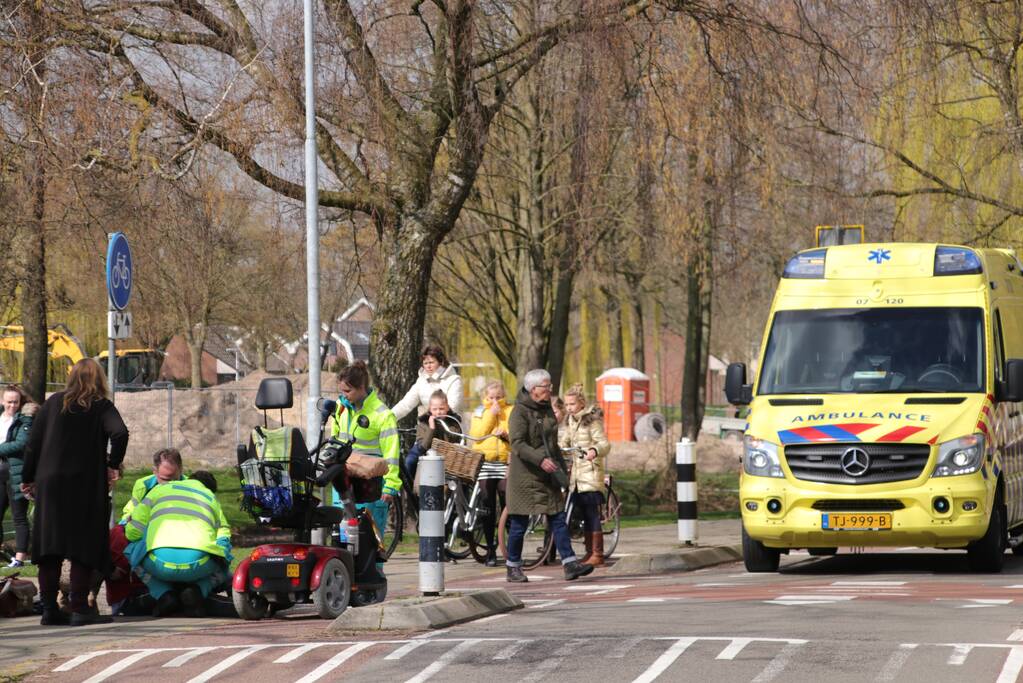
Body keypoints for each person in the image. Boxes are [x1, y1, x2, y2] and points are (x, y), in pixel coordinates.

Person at [21, 359, 129, 626]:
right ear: (99, 380)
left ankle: (48, 609)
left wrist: (28, 477)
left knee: (50, 548)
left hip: (50, 484)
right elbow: (120, 433)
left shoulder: (53, 403)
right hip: (85, 486)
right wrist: (112, 464)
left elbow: (33, 443)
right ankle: (80, 607)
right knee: (83, 545)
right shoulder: (101, 406)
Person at [505, 369, 593, 583]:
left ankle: (570, 564)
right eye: (547, 386)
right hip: (525, 476)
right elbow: (517, 443)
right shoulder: (519, 412)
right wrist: (539, 459)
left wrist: (562, 470)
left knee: (558, 518)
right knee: (519, 523)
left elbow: (552, 444)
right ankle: (513, 567)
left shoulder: (546, 410)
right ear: (533, 389)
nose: (550, 389)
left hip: (548, 473)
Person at [124, 470, 232, 618]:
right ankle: (198, 590)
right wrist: (222, 557)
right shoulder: (210, 498)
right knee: (224, 560)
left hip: (158, 563)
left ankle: (163, 593)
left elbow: (132, 532)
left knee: (131, 550)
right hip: (199, 564)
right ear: (210, 489)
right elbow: (224, 535)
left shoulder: (159, 490)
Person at [328, 361, 401, 549]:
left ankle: (375, 573)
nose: (343, 395)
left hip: (371, 486)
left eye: (347, 391)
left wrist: (390, 486)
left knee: (370, 540)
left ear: (361, 388)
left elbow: (391, 454)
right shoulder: (340, 408)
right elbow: (335, 439)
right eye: (342, 391)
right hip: (343, 481)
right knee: (343, 538)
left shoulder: (383, 415)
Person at [559, 384, 611, 567]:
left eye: (572, 404)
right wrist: (557, 447)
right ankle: (590, 552)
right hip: (576, 476)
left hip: (590, 473)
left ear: (581, 403)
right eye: (566, 404)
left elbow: (604, 444)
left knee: (591, 514)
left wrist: (594, 450)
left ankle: (598, 554)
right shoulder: (571, 421)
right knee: (581, 513)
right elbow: (564, 440)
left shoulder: (591, 421)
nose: (569, 408)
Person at [469, 380, 513, 566]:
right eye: (491, 397)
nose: (495, 400)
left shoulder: (511, 411)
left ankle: (510, 546)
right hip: (486, 463)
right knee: (487, 505)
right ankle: (490, 549)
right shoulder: (480, 412)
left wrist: (505, 434)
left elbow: (516, 436)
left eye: (499, 397)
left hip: (504, 462)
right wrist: (490, 415)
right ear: (485, 397)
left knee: (507, 502)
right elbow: (476, 435)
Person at [0, 385, 37, 568]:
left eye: (16, 402)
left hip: (16, 471)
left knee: (19, 515)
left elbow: (21, 444)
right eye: (9, 402)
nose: (12, 406)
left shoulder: (25, 420)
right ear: (2, 401)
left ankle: (20, 558)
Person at [391, 344, 464, 420]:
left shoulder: (454, 380)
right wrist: (389, 417)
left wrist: (428, 419)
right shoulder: (421, 381)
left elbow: (453, 407)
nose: (428, 366)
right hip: (429, 426)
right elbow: (406, 404)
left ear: (441, 362)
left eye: (431, 362)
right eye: (425, 363)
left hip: (451, 427)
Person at [405, 390, 461, 480]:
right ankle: (410, 488)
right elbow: (423, 447)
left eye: (441, 408)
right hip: (424, 452)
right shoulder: (424, 424)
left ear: (447, 408)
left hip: (447, 454)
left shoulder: (453, 423)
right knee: (410, 461)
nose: (438, 412)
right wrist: (432, 428)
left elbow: (457, 440)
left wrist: (444, 426)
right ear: (430, 409)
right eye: (435, 409)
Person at [120, 448, 183, 522]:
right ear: (155, 471)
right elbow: (130, 511)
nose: (171, 484)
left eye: (175, 480)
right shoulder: (143, 486)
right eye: (166, 480)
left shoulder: (193, 487)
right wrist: (128, 519)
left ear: (181, 470)